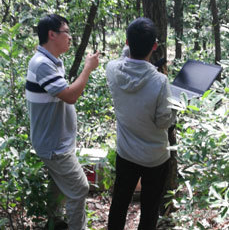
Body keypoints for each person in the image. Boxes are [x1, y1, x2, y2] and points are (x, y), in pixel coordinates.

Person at [25, 14, 99, 230]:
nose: (70, 37)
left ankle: (55, 223)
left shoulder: (52, 61)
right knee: (79, 188)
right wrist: (87, 69)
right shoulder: (42, 65)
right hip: (54, 146)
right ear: (52, 34)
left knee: (57, 187)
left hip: (55, 141)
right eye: (66, 32)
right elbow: (70, 95)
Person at [106, 17, 176, 230]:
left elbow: (124, 58)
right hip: (154, 158)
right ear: (154, 46)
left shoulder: (112, 69)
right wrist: (176, 108)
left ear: (126, 42)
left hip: (126, 152)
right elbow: (163, 121)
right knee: (149, 207)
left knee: (119, 202)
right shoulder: (160, 81)